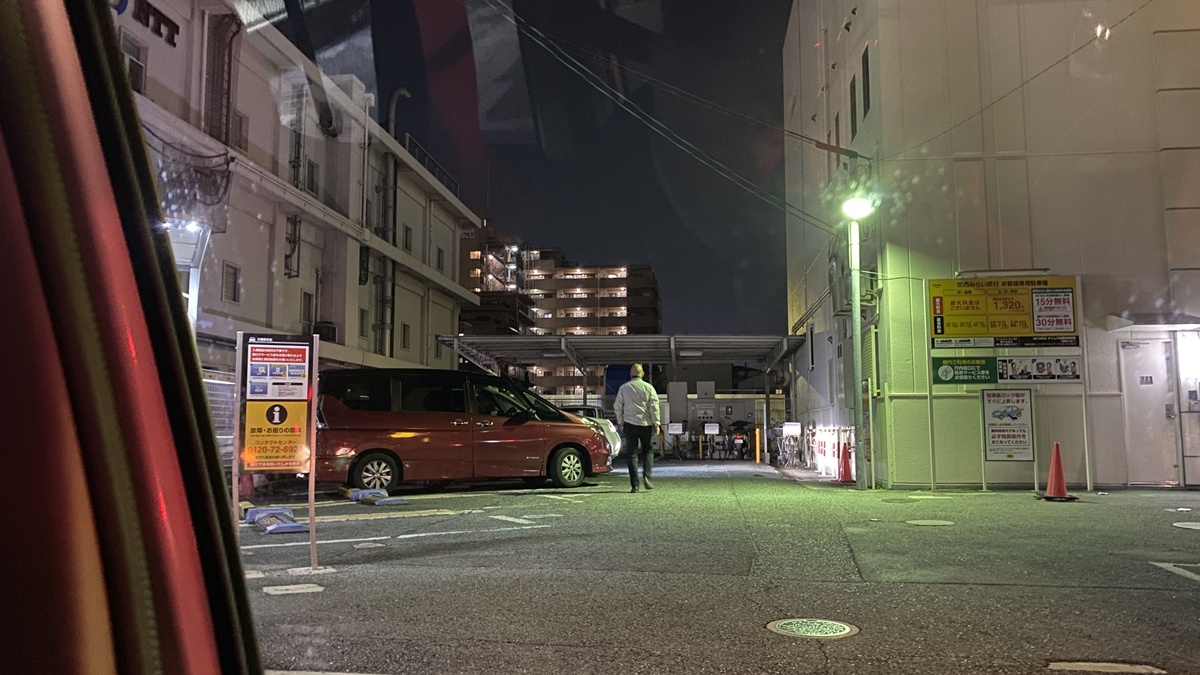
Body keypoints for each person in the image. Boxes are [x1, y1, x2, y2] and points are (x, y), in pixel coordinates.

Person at [613, 363, 660, 493]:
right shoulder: (649, 388)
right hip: (645, 424)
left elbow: (617, 406)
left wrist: (620, 421)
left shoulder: (624, 388)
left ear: (630, 374)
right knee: (648, 451)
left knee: (632, 455)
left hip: (629, 424)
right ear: (643, 374)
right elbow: (654, 407)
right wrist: (657, 424)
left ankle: (635, 486)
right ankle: (647, 475)